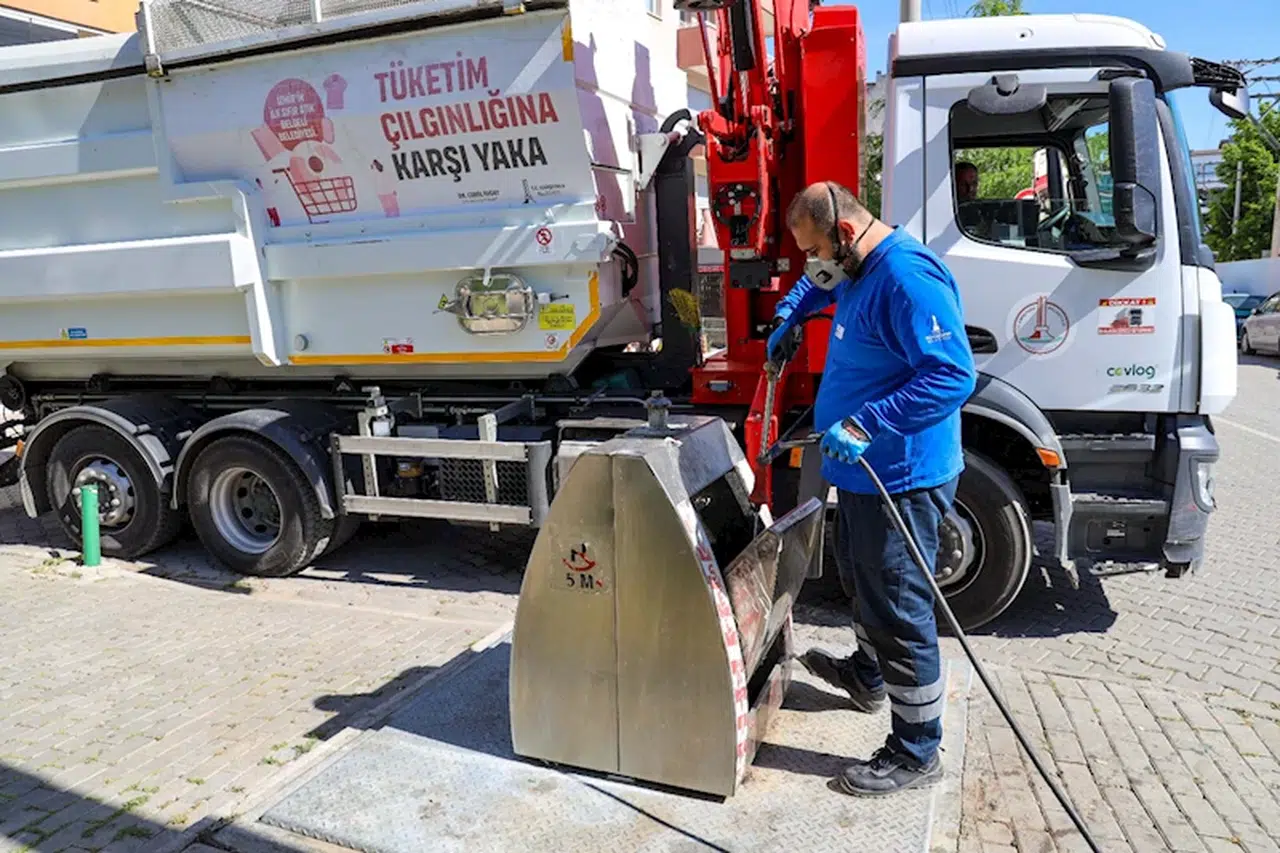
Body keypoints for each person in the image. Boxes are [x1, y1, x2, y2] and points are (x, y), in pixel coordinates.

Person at [767, 181, 977, 797]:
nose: (815, 264)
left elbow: (951, 374)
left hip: (901, 477)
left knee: (898, 606)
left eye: (817, 251)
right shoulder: (852, 265)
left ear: (847, 234)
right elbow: (817, 283)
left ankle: (916, 751)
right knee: (861, 579)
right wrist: (790, 313)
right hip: (862, 473)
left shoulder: (907, 279)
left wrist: (866, 422)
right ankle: (867, 676)